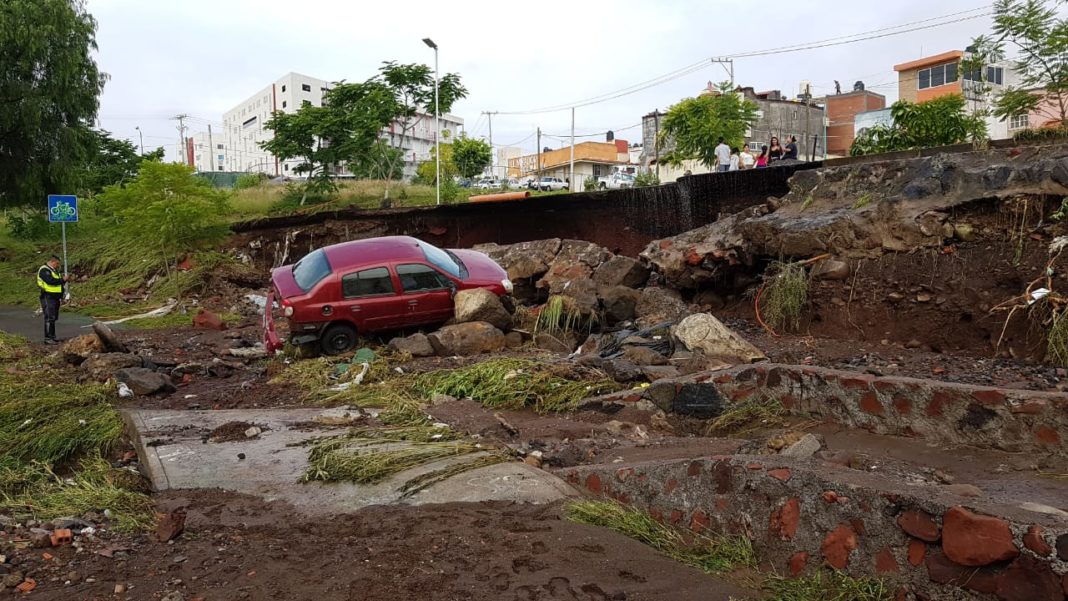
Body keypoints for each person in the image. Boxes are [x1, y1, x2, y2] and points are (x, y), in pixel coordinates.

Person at [37, 255, 69, 344]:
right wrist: (63, 280)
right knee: (49, 317)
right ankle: (48, 338)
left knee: (53, 317)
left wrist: (62, 295)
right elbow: (50, 281)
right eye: (57, 263)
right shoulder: (44, 270)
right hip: (48, 296)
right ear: (52, 261)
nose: (58, 265)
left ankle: (53, 336)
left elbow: (58, 284)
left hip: (55, 297)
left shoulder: (54, 271)